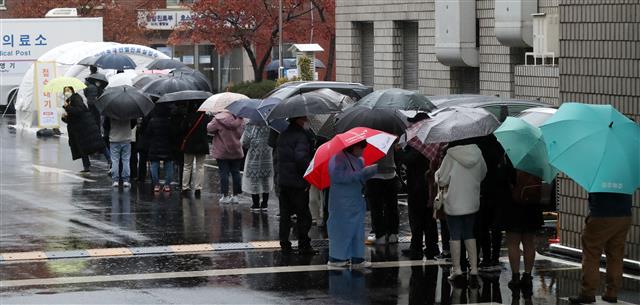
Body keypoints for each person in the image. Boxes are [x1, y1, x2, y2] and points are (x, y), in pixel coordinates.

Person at [435, 140, 487, 284]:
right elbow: (483, 173)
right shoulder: (478, 153)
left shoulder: (450, 155)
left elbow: (442, 180)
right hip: (471, 200)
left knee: (455, 235)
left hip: (454, 201)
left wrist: (437, 173)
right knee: (470, 233)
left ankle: (457, 270)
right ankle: (474, 269)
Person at [569, 192, 633, 304]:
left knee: (591, 253)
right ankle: (611, 293)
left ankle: (587, 293)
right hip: (624, 215)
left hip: (601, 214)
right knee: (616, 255)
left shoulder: (598, 176)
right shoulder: (625, 176)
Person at [326, 141, 378, 268]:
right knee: (341, 230)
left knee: (357, 230)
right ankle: (337, 258)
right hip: (341, 201)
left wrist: (368, 172)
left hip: (355, 200)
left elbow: (359, 178)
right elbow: (338, 177)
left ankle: (357, 258)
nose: (363, 151)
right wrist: (361, 173)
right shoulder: (337, 159)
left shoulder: (358, 160)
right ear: (354, 147)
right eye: (361, 148)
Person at [398, 113, 440, 260]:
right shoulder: (435, 139)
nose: (411, 126)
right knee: (430, 218)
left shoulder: (419, 141)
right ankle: (432, 246)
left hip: (418, 186)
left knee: (417, 218)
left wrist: (400, 152)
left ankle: (416, 247)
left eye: (414, 123)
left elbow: (409, 160)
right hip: (430, 185)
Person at [276, 116, 316, 255]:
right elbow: (301, 159)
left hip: (284, 181)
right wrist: (308, 175)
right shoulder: (301, 136)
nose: (307, 119)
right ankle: (304, 244)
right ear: (298, 119)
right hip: (298, 182)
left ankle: (284, 243)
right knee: (303, 215)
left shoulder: (283, 134)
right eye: (305, 117)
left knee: (285, 214)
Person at [502, 167, 544, 296]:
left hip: (513, 206)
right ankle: (527, 275)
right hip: (532, 207)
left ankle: (515, 276)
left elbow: (503, 182)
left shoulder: (510, 160)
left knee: (513, 243)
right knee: (529, 243)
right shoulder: (537, 163)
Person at [476, 135, 509, 272]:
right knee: (496, 229)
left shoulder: (479, 149)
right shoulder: (500, 148)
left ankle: (486, 258)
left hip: (482, 192)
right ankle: (495, 257)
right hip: (499, 193)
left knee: (482, 227)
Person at [60, 86, 105, 173]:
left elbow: (79, 111)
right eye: (65, 91)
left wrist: (67, 108)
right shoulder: (68, 101)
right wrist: (64, 118)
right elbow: (72, 119)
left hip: (86, 126)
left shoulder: (76, 98)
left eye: (68, 90)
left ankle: (110, 160)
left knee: (99, 145)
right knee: (82, 147)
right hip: (79, 128)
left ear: (72, 91)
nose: (66, 92)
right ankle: (86, 166)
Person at [365, 145, 400, 245]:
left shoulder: (367, 136)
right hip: (390, 173)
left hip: (373, 174)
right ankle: (393, 232)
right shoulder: (390, 134)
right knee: (391, 206)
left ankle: (380, 234)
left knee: (376, 208)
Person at [207, 110, 244, 203]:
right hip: (236, 150)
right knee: (236, 172)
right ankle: (236, 196)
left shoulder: (218, 118)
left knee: (224, 172)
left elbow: (209, 129)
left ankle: (225, 196)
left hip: (222, 150)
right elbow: (242, 132)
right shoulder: (240, 119)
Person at [241, 120, 274, 211]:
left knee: (254, 178)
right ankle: (265, 203)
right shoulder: (270, 124)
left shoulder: (250, 125)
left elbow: (245, 142)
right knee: (265, 179)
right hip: (267, 156)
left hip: (253, 156)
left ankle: (255, 204)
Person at [180, 102, 210, 197]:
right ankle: (198, 188)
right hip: (202, 144)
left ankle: (185, 187)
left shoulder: (188, 117)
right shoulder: (205, 118)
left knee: (187, 166)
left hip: (189, 144)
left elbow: (182, 129)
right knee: (200, 167)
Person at [145, 104, 175, 193]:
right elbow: (173, 134)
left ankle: (156, 185)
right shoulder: (169, 121)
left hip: (154, 146)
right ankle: (167, 185)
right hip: (167, 146)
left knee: (154, 165)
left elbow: (147, 133)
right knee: (168, 165)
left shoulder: (152, 121)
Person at [83, 66, 110, 165]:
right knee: (98, 123)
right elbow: (102, 92)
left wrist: (89, 98)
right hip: (97, 105)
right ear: (96, 69)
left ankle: (93, 144)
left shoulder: (87, 80)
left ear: (90, 70)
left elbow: (85, 92)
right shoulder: (99, 80)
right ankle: (99, 143)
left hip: (90, 104)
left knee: (91, 122)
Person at [105, 114, 135, 188]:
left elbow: (105, 125)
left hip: (114, 138)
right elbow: (133, 124)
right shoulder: (129, 110)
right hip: (126, 138)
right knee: (126, 160)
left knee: (115, 160)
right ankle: (126, 180)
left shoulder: (110, 111)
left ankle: (115, 180)